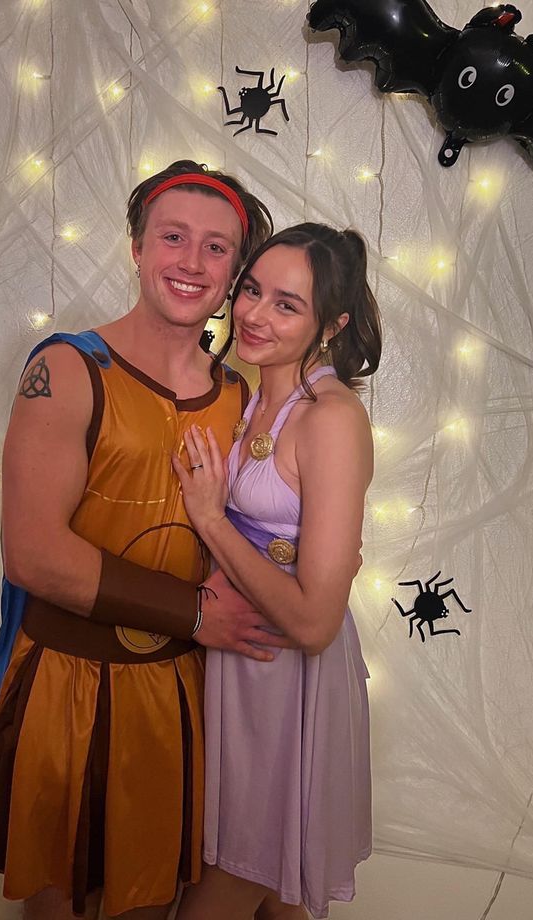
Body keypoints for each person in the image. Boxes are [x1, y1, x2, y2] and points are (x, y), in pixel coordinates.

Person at [0, 160, 289, 920]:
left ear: (235, 271)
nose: (191, 262)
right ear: (137, 249)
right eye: (172, 237)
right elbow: (35, 554)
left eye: (217, 248)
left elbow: (264, 535)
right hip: (69, 691)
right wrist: (193, 614)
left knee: (150, 904)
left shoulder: (243, 397)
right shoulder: (68, 367)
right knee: (67, 904)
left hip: (184, 699)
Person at [171, 223, 382, 920]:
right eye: (253, 291)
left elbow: (315, 623)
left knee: (241, 879)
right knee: (271, 896)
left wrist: (211, 521)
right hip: (235, 661)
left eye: (287, 304)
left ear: (333, 323)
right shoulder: (241, 394)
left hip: (285, 680)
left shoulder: (332, 419)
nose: (255, 315)